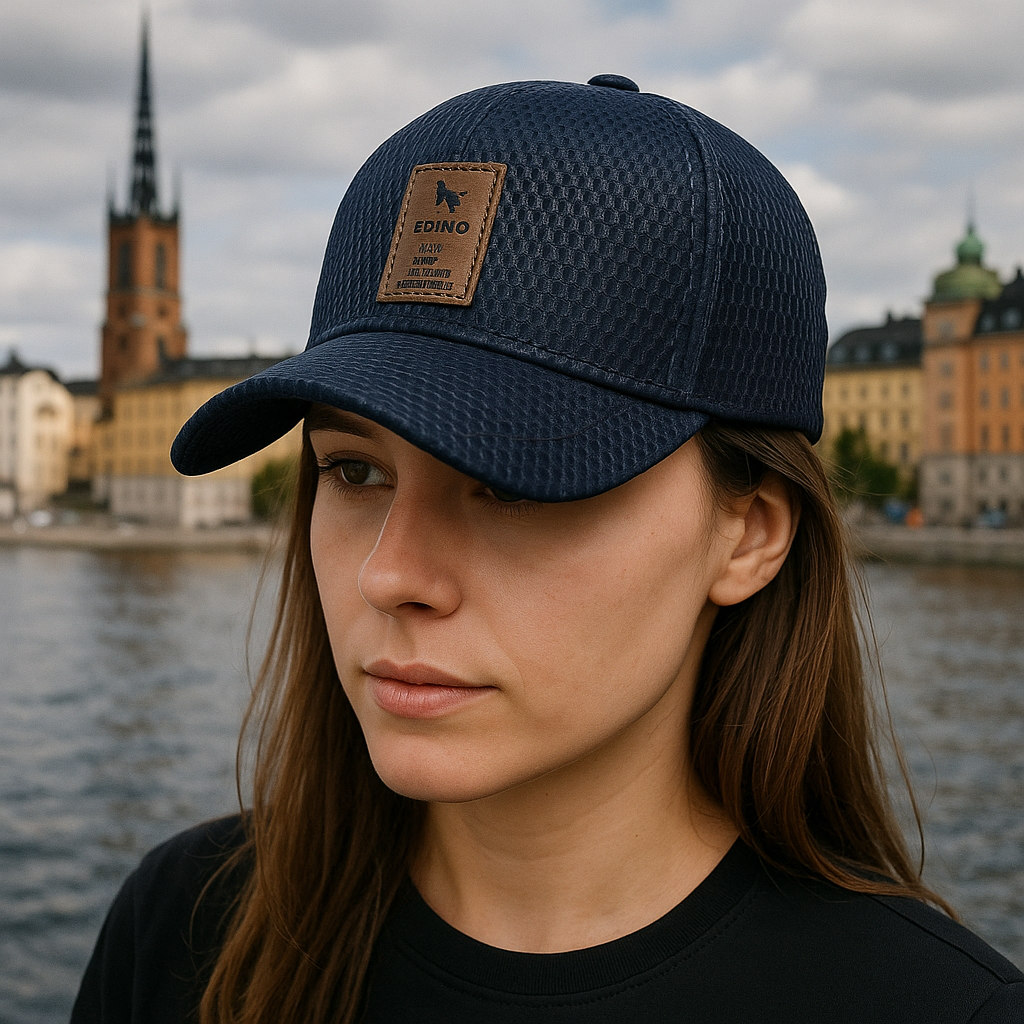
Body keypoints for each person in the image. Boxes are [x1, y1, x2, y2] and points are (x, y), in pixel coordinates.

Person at [72, 75, 1023, 1024]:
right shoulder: (182, 930)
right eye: (354, 471)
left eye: (515, 482)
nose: (389, 575)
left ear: (750, 534)